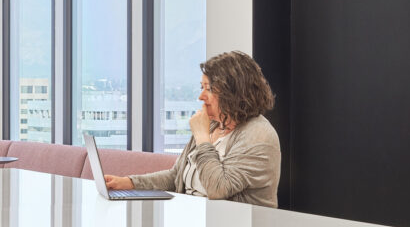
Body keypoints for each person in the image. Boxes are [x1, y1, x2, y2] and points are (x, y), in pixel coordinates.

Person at [105, 50, 281, 208]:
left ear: (234, 94)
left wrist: (202, 137)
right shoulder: (213, 125)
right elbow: (176, 176)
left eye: (209, 89)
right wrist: (129, 183)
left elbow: (218, 189)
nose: (201, 96)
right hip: (199, 223)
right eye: (201, 87)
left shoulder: (259, 135)